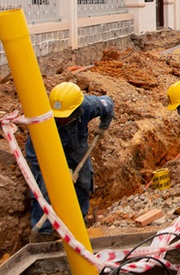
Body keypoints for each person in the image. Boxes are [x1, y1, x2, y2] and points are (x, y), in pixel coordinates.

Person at [26, 82, 114, 240]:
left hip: (78, 153)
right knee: (45, 189)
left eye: (65, 117)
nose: (61, 120)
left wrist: (103, 127)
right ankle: (43, 233)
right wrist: (57, 172)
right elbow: (33, 155)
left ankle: (78, 225)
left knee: (83, 184)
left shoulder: (88, 106)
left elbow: (109, 104)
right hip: (50, 157)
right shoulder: (41, 120)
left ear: (77, 109)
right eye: (59, 117)